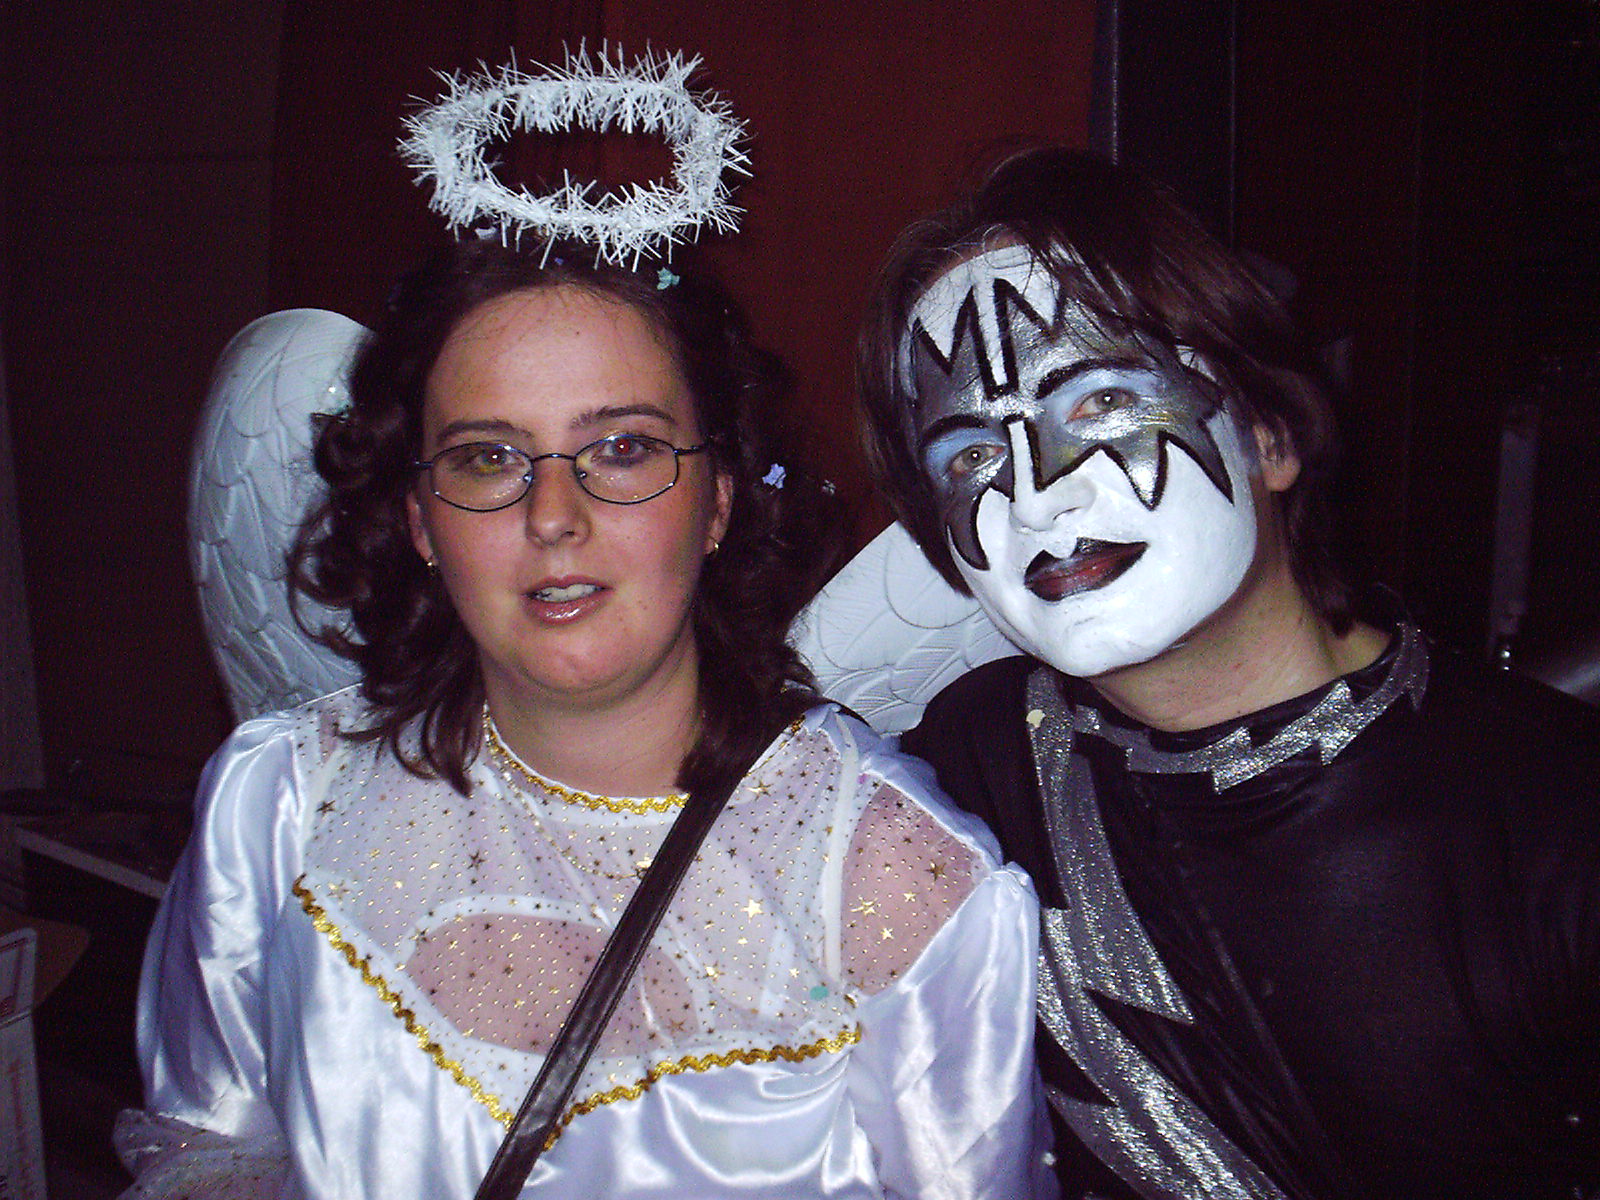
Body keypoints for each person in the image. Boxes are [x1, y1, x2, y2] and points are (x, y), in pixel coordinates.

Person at [117, 238, 1056, 1199]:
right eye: (488, 458)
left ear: (717, 502)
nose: (553, 516)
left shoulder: (898, 880)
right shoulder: (279, 804)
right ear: (420, 520)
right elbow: (207, 1148)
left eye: (623, 449)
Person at [857, 147, 1600, 1199]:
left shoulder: (1553, 825)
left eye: (1100, 405)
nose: (1037, 496)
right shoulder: (968, 770)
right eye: (970, 456)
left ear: (1270, 435)